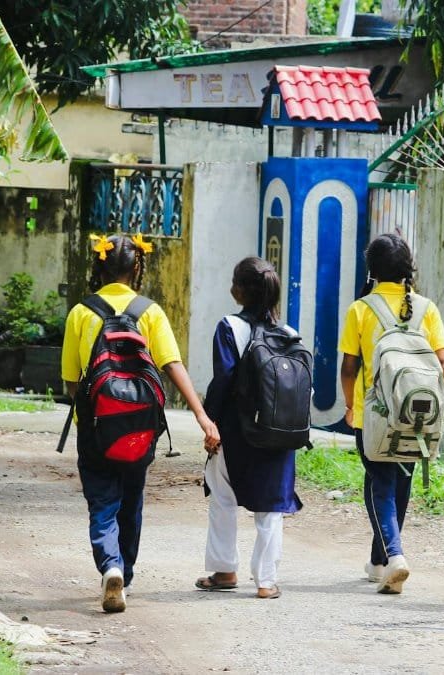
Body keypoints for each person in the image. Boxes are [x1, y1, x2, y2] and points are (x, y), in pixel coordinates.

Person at [60, 233, 221, 613]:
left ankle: (110, 566)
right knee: (131, 499)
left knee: (102, 501)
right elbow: (172, 365)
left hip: (96, 426)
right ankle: (124, 574)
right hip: (141, 427)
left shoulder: (81, 312)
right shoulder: (150, 311)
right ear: (137, 267)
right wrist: (201, 415)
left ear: (98, 266)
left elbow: (70, 380)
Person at [339, 233, 444, 595]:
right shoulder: (427, 308)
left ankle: (395, 555)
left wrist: (350, 404)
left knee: (379, 483)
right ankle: (379, 561)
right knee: (399, 481)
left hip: (375, 414)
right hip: (418, 414)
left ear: (372, 270)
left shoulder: (360, 309)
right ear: (407, 268)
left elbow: (349, 367)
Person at [196, 257, 303, 599]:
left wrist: (209, 420)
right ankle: (267, 582)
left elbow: (224, 379)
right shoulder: (290, 334)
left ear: (241, 292)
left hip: (238, 431)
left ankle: (225, 570)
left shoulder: (229, 327)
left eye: (234, 282)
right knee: (272, 505)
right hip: (281, 432)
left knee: (223, 496)